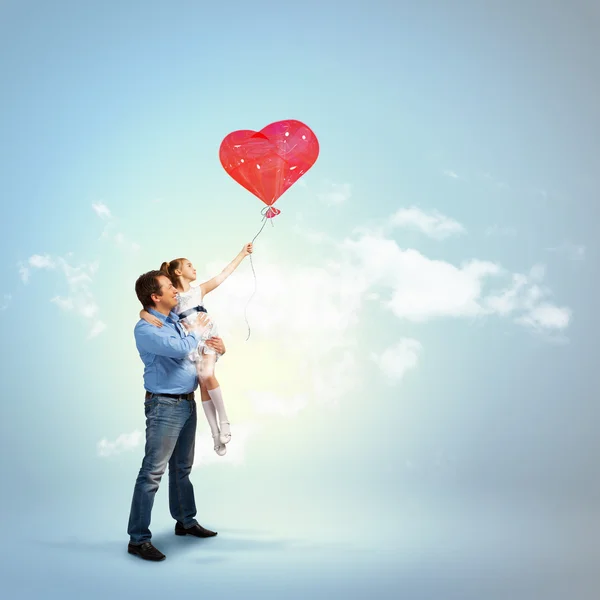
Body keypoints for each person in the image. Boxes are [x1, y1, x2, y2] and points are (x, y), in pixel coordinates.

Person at [127, 270, 226, 562]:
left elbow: (198, 350)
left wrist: (219, 347)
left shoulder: (168, 319)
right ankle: (138, 539)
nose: (177, 291)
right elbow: (182, 348)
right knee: (152, 473)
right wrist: (196, 329)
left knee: (182, 468)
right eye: (170, 287)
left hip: (187, 401)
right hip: (164, 407)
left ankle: (185, 522)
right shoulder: (145, 329)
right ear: (155, 297)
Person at [140, 243, 253, 457]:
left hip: (208, 336)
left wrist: (242, 253)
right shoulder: (172, 299)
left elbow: (224, 274)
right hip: (193, 341)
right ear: (177, 271)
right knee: (202, 382)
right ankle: (214, 434)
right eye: (189, 265)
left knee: (207, 374)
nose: (195, 268)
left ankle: (225, 421)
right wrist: (143, 314)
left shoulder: (199, 290)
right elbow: (152, 309)